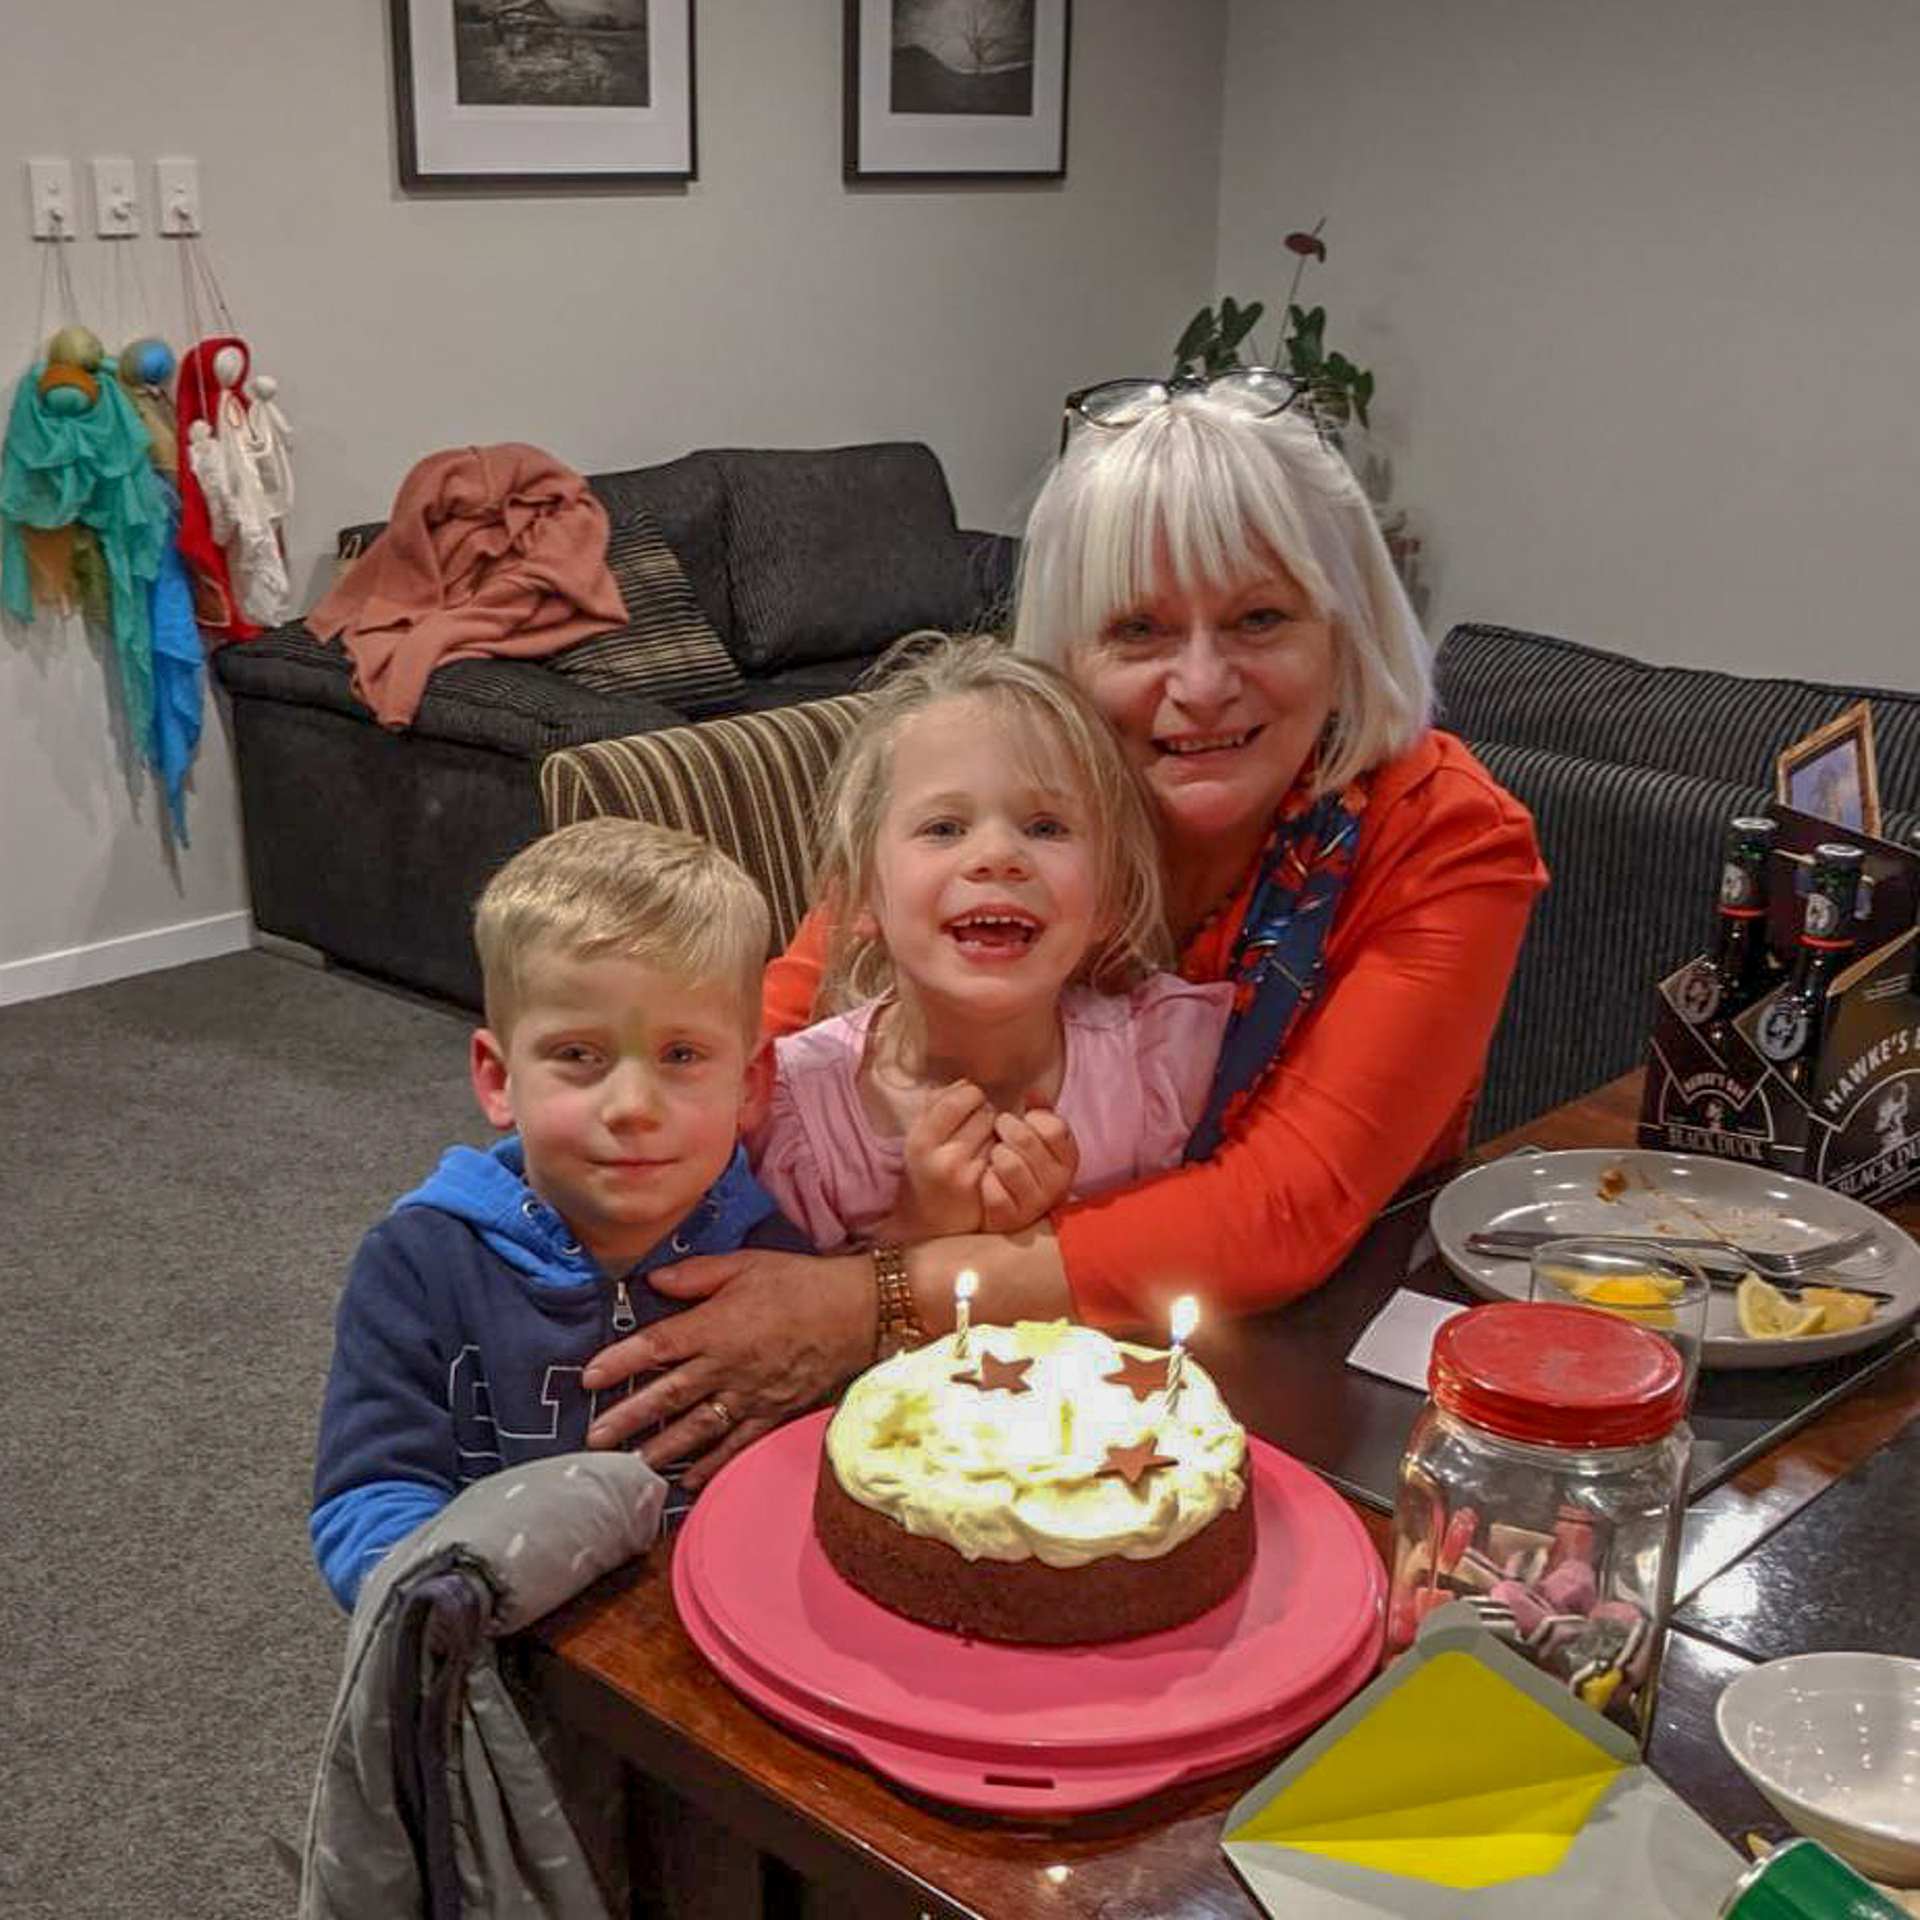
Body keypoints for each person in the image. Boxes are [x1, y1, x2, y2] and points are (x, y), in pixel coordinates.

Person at [577, 367, 1547, 1486]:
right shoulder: (998, 810)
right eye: (1138, 629)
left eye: (1260, 619)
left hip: (1298, 1367)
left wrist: (881, 1297)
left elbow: (1282, 1209)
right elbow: (769, 1027)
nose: (1201, 684)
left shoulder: (1447, 836)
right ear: (1065, 655)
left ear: (1345, 629)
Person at [309, 817, 810, 1610]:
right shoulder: (417, 1264)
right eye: (580, 1055)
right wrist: (426, 1594)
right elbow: (368, 1491)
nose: (635, 1107)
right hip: (500, 1667)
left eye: (682, 1056)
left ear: (750, 1084)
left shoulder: (780, 1262)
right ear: (498, 1078)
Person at [751, 634, 1233, 1249]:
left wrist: (1068, 1232)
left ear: (1108, 899)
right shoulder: (795, 1115)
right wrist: (916, 1228)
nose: (998, 856)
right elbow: (777, 1318)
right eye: (944, 827)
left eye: (1045, 826)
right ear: (861, 898)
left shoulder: (1165, 1067)